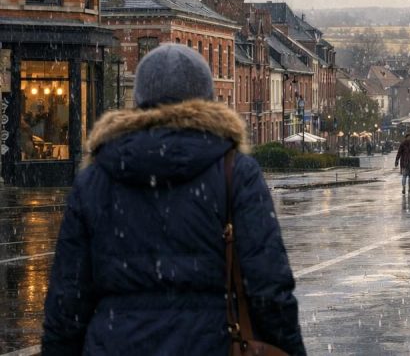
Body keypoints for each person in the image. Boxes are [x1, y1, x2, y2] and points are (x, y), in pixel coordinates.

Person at [42, 44, 305, 354]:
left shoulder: (96, 177)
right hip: (211, 342)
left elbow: (66, 302)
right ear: (206, 99)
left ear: (139, 100)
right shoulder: (234, 171)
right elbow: (269, 288)